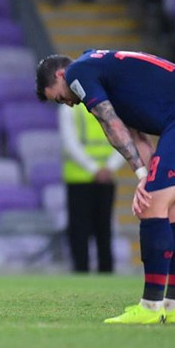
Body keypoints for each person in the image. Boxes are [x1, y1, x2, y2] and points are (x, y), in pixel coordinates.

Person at [36, 50, 175, 324]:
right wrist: (146, 176)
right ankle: (173, 307)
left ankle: (150, 306)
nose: (68, 104)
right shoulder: (105, 71)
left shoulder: (77, 72)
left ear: (60, 75)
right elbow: (137, 134)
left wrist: (142, 177)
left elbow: (110, 123)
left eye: (60, 97)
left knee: (151, 207)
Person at [59, 103, 124, 273]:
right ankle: (83, 270)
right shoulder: (71, 106)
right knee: (82, 230)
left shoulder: (111, 105)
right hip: (81, 178)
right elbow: (69, 143)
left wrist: (105, 168)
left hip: (92, 176)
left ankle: (103, 271)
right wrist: (104, 169)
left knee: (103, 229)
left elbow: (123, 137)